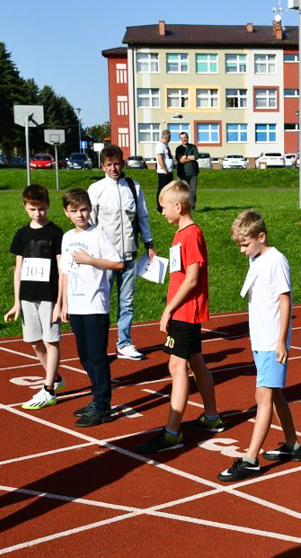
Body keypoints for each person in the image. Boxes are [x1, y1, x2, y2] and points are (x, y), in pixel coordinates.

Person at [217, 210, 301, 481]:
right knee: (276, 394)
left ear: (261, 237)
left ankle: (250, 459)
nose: (242, 250)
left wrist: (281, 340)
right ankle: (293, 445)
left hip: (271, 342)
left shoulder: (276, 260)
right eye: (239, 245)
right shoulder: (255, 259)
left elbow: (284, 300)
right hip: (260, 339)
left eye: (245, 244)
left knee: (263, 396)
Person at [136, 180, 224, 453]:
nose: (161, 213)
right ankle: (211, 417)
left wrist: (169, 309)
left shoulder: (191, 234)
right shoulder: (180, 235)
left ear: (178, 206)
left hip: (185, 311)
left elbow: (192, 278)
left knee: (177, 367)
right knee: (196, 361)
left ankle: (173, 432)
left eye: (163, 207)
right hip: (184, 310)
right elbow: (183, 272)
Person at [58, 188, 124, 427]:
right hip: (75, 305)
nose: (80, 215)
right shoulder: (66, 237)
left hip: (95, 304)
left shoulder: (98, 235)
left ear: (91, 210)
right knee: (84, 356)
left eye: (84, 210)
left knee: (97, 357)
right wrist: (62, 303)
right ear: (66, 213)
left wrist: (90, 260)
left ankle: (103, 405)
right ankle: (97, 397)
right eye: (74, 211)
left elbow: (118, 263)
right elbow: (64, 271)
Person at [87, 144, 156, 361]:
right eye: (109, 165)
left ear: (122, 163)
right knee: (102, 302)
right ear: (102, 166)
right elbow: (90, 223)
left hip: (130, 255)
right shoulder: (96, 189)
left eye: (117, 164)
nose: (113, 168)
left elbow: (142, 217)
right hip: (106, 258)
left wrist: (149, 243)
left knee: (126, 302)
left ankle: (124, 343)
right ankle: (99, 345)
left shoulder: (133, 187)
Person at [3, 184, 65, 410]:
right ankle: (55, 377)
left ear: (48, 206)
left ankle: (48, 389)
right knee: (33, 340)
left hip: (48, 295)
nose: (37, 213)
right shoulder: (22, 234)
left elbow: (61, 269)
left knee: (51, 340)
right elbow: (18, 268)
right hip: (28, 295)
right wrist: (16, 302)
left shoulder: (56, 233)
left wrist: (60, 302)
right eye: (32, 209)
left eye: (41, 209)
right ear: (25, 207)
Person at [175, 132, 200, 210]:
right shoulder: (179, 149)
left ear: (187, 137)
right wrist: (190, 158)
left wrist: (185, 157)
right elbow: (181, 160)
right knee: (182, 192)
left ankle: (192, 209)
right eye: (182, 138)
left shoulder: (193, 147)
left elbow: (196, 156)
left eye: (185, 137)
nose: (184, 139)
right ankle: (182, 208)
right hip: (182, 174)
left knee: (192, 192)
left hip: (193, 173)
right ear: (180, 139)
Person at [154, 130, 174, 214]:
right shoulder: (160, 146)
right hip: (164, 173)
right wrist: (165, 169)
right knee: (162, 190)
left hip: (169, 172)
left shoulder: (165, 145)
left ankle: (167, 207)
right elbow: (160, 159)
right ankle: (159, 208)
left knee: (168, 191)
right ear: (167, 137)